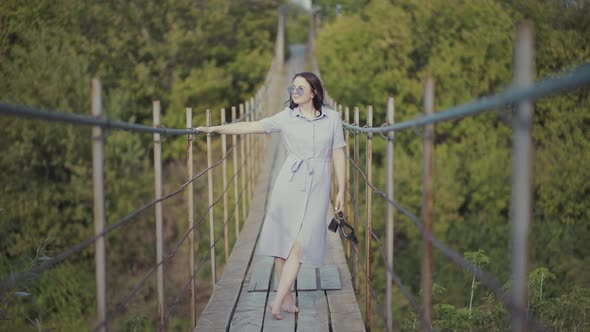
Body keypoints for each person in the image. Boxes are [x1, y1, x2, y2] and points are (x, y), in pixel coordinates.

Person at [196, 72, 346, 320]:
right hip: (289, 184)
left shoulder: (333, 118)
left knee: (300, 244)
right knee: (281, 246)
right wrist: (215, 128)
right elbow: (250, 127)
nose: (294, 92)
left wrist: (340, 189)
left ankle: (275, 301)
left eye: (300, 88)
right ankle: (286, 297)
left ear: (314, 92)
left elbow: (338, 152)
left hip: (318, 186)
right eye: (292, 88)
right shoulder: (286, 117)